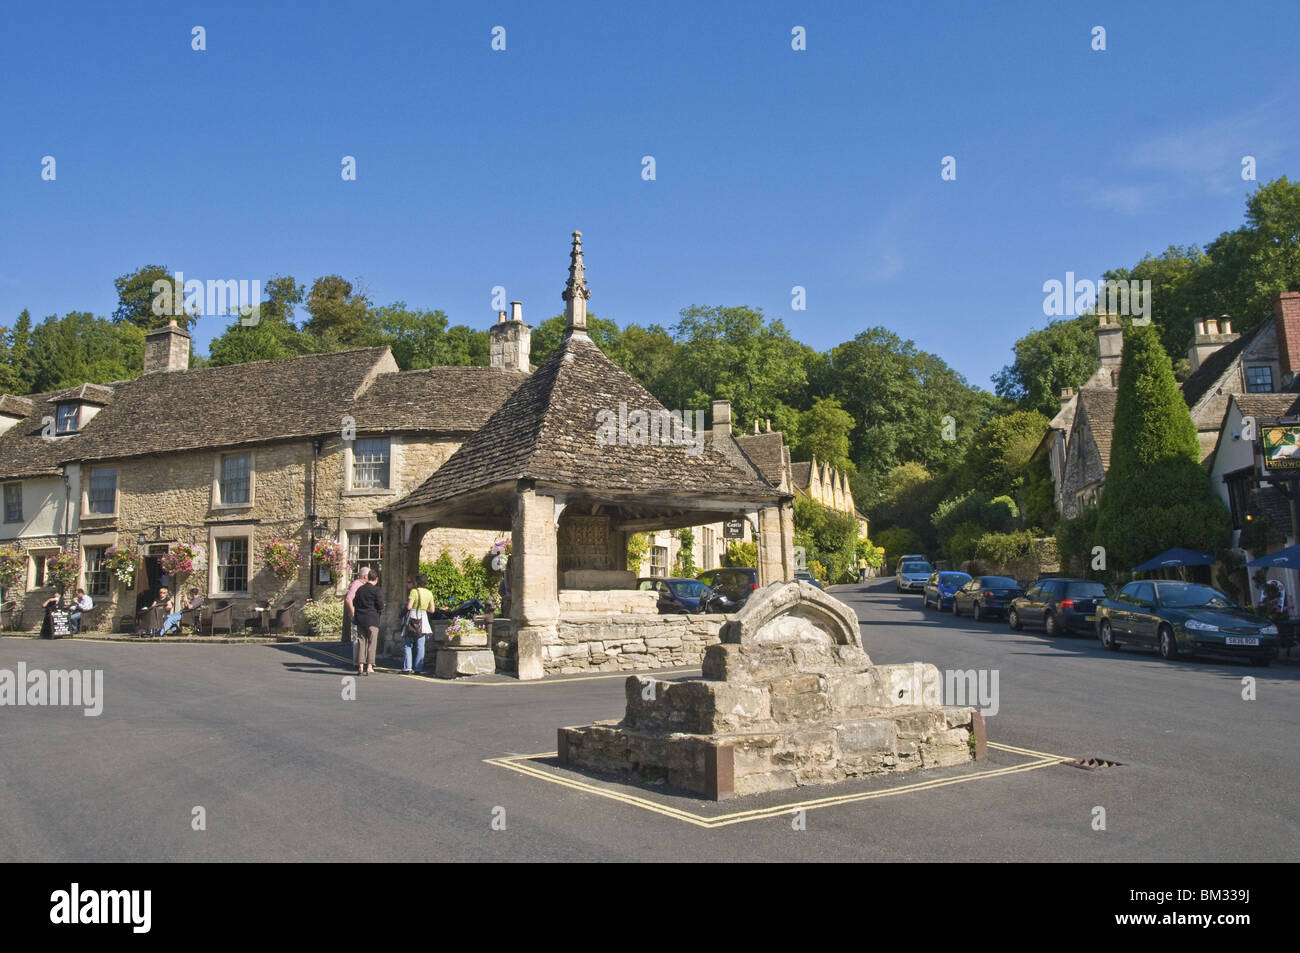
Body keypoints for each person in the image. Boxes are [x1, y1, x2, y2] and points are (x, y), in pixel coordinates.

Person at [351, 569, 384, 676]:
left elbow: (355, 602)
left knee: (361, 642)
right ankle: (369, 666)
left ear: (368, 577)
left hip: (360, 619)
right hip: (372, 619)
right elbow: (380, 605)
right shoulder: (376, 590)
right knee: (372, 643)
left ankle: (360, 665)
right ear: (376, 579)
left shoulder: (360, 589)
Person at [403, 574, 435, 674]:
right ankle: (418, 668)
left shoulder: (414, 592)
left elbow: (409, 607)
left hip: (412, 617)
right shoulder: (429, 593)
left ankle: (407, 667)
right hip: (423, 618)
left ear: (417, 582)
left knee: (408, 644)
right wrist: (424, 608)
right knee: (420, 645)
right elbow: (432, 610)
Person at [342, 565, 369, 646]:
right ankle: (357, 659)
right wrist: (353, 614)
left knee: (363, 641)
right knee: (357, 641)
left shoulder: (363, 584)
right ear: (365, 576)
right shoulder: (356, 584)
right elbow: (348, 599)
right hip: (357, 617)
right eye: (369, 576)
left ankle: (362, 658)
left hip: (363, 617)